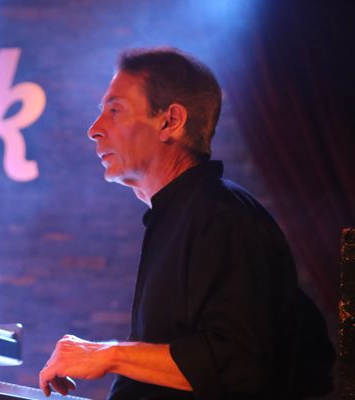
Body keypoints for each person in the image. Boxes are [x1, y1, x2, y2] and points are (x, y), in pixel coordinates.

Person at [39, 48, 334, 399]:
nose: (94, 129)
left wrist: (110, 355)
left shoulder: (223, 218)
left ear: (170, 121)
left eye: (115, 111)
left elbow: (239, 363)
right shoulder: (181, 215)